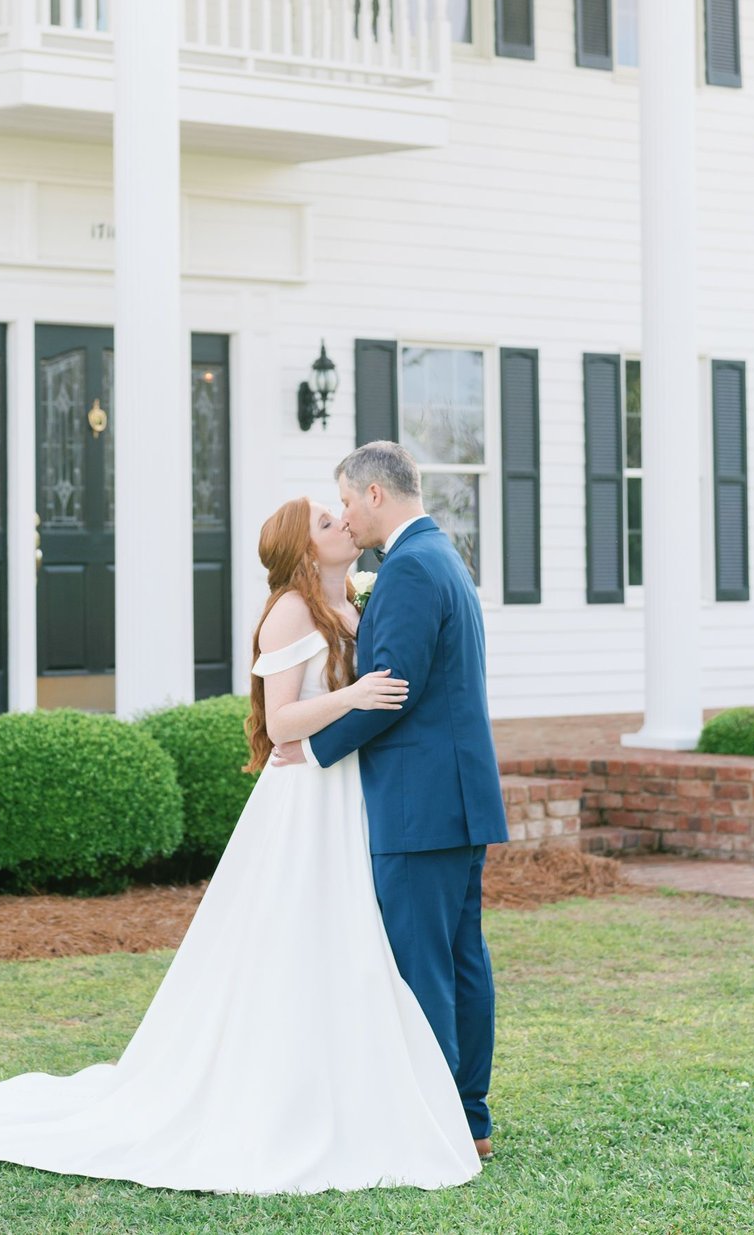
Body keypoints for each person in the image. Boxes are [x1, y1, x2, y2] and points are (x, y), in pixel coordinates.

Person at [0, 493, 481, 1195]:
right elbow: (283, 723)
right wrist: (351, 697)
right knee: (303, 935)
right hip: (307, 796)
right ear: (303, 548)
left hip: (355, 793)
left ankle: (373, 1089)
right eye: (327, 521)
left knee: (354, 942)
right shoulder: (290, 611)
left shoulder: (354, 601)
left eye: (339, 513)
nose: (342, 523)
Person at [305, 439, 508, 1155]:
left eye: (347, 501)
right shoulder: (440, 555)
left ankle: (437, 1123)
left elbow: (392, 690)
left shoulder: (411, 568)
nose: (344, 517)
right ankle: (468, 1119)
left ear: (376, 493)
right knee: (460, 959)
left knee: (423, 965)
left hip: (420, 802)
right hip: (453, 796)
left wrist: (309, 750)